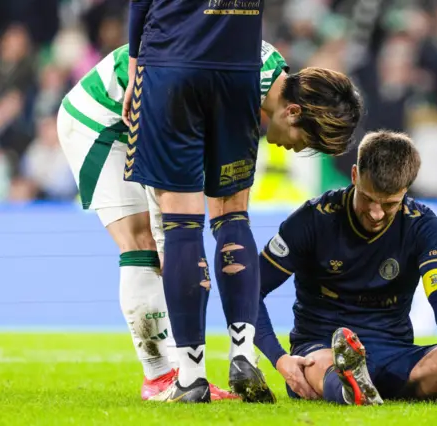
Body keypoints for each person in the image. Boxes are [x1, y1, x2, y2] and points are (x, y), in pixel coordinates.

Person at [57, 40, 363, 401]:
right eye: (306, 140)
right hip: (103, 118)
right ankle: (160, 378)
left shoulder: (260, 81)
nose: (299, 149)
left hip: (155, 114)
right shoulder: (239, 89)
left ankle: (186, 372)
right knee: (142, 243)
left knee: (177, 239)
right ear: (293, 111)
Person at [255, 130, 437, 406]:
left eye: (389, 204)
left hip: (396, 356)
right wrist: (279, 358)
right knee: (323, 362)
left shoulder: (423, 226)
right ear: (354, 175)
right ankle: (350, 387)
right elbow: (249, 289)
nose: (375, 213)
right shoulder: (312, 220)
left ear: (406, 190)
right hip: (324, 349)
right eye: (368, 198)